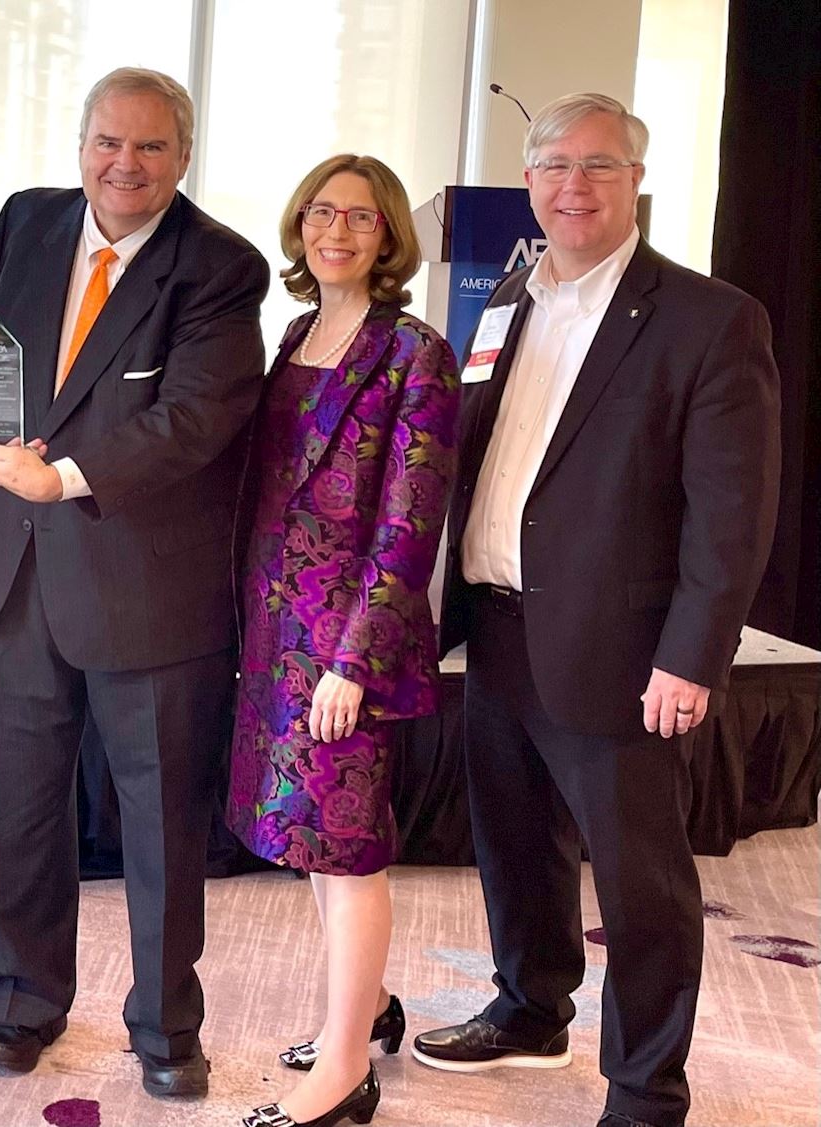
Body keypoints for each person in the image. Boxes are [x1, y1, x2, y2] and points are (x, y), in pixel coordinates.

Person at [412, 93, 780, 1127]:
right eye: (554, 164)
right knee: (515, 842)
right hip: (496, 628)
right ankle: (530, 1008)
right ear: (528, 180)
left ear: (636, 183)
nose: (573, 184)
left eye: (599, 166)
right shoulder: (504, 303)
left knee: (641, 881)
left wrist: (692, 655)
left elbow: (733, 511)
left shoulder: (708, 317)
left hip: (621, 649)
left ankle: (645, 1085)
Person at [0, 66, 269, 1098]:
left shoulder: (220, 266)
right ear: (79, 142)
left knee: (161, 827)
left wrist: (64, 476)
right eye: (106, 141)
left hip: (146, 590)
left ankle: (165, 1025)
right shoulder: (26, 222)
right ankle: (20, 1000)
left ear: (182, 157)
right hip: (17, 580)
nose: (123, 164)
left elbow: (192, 416)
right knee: (23, 809)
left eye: (147, 147)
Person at [229, 156, 459, 1127]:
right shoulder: (293, 333)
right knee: (314, 848)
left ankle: (341, 1072)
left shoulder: (415, 349)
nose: (336, 229)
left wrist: (353, 660)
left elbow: (410, 522)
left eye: (358, 216)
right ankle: (360, 1015)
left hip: (341, 650)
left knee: (348, 851)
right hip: (276, 632)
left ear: (387, 235)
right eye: (321, 211)